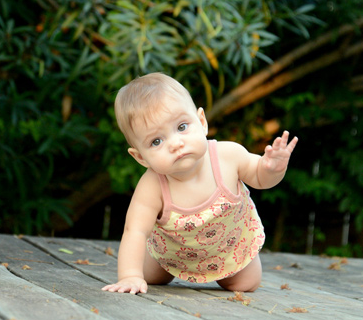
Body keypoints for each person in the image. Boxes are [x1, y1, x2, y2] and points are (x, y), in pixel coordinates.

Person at [102, 72, 298, 295]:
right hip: (169, 254)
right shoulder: (152, 186)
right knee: (147, 278)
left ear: (202, 122)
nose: (176, 143)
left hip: (228, 249)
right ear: (141, 158)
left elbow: (261, 178)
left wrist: (272, 168)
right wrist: (130, 276)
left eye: (182, 127)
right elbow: (135, 231)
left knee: (247, 284)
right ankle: (157, 267)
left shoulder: (228, 156)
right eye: (156, 141)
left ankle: (231, 271)